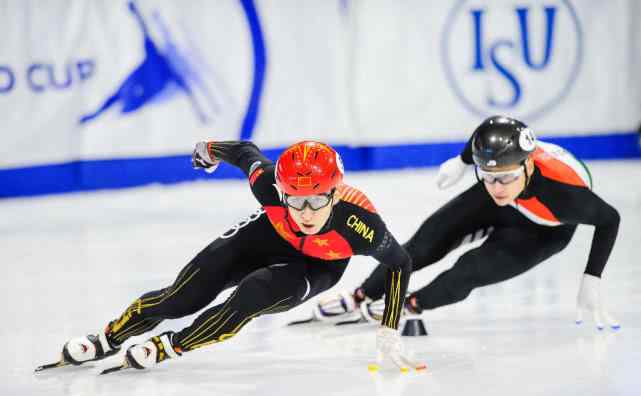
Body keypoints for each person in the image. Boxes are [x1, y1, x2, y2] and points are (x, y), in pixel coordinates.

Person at [46, 140, 424, 372]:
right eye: (295, 200)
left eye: (316, 200)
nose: (306, 212)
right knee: (181, 297)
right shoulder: (269, 186)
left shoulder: (360, 225)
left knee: (253, 295)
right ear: (281, 191)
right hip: (265, 237)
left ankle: (171, 345)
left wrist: (389, 327)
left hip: (318, 264)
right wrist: (207, 149)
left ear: (336, 195)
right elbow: (245, 152)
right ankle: (110, 337)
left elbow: (400, 263)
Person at [313, 115, 621, 331]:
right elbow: (483, 134)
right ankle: (361, 296)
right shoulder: (498, 171)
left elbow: (610, 219)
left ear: (528, 166)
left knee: (469, 271)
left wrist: (592, 276)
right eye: (487, 177)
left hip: (543, 229)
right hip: (505, 206)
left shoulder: (565, 195)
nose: (497, 187)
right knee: (423, 244)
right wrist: (462, 163)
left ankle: (410, 305)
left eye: (505, 179)